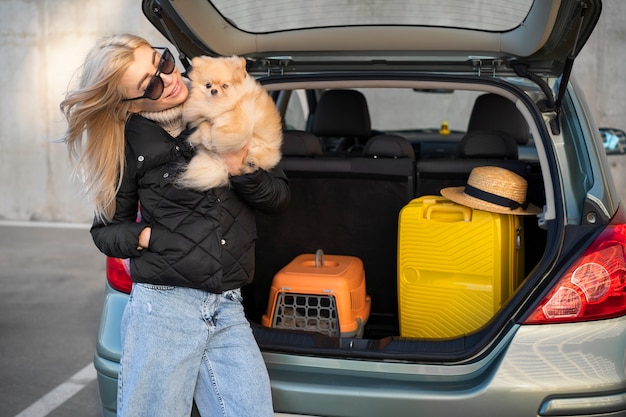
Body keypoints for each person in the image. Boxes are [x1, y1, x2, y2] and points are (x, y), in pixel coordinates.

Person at [60, 34, 289, 417]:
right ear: (129, 103)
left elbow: (278, 197)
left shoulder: (226, 101)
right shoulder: (127, 142)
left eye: (162, 61)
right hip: (163, 311)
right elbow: (105, 231)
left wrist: (240, 167)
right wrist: (147, 237)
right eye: (149, 84)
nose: (167, 79)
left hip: (228, 306)